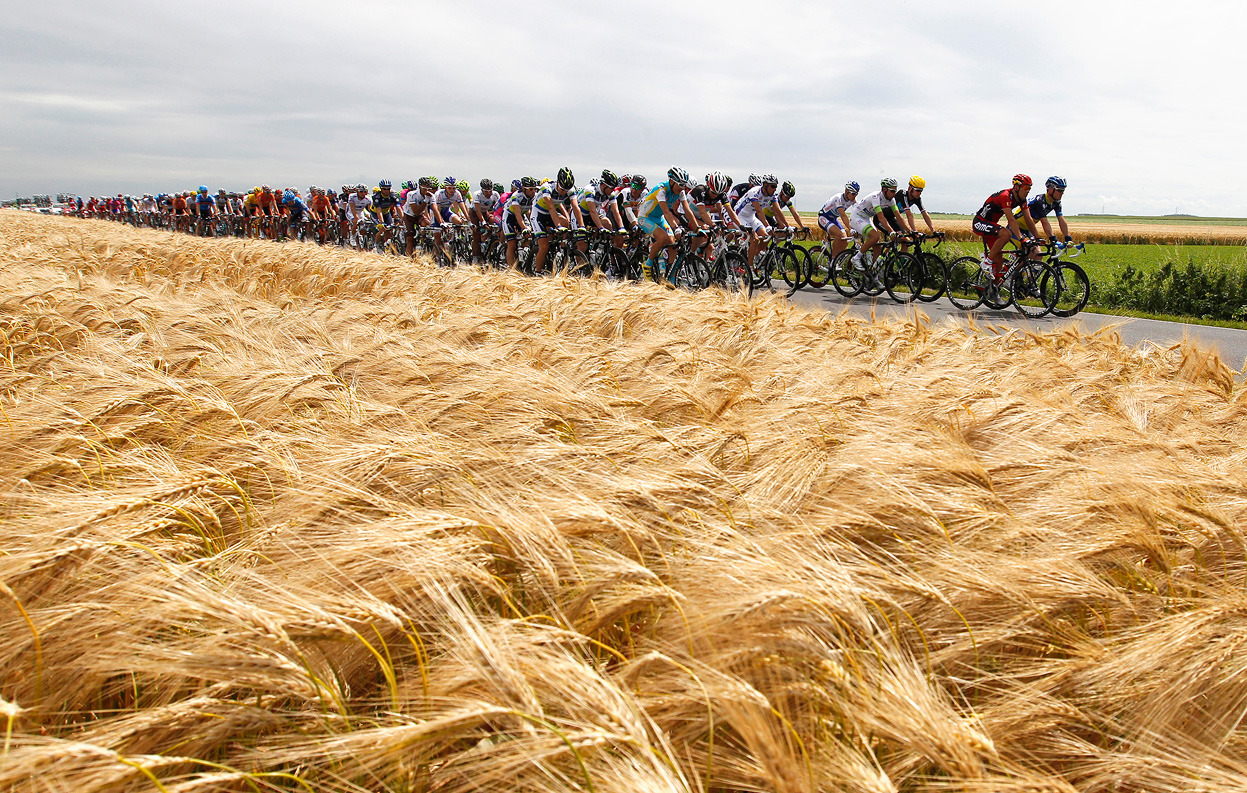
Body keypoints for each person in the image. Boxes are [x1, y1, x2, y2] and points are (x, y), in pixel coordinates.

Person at [972, 174, 1041, 280]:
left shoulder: (1022, 199)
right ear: (1016, 187)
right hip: (980, 222)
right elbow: (1011, 220)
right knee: (1006, 233)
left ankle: (992, 291)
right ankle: (986, 263)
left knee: (999, 260)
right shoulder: (1006, 196)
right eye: (1026, 188)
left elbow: (1028, 219)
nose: (1028, 191)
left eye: (1030, 188)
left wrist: (1037, 237)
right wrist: (1021, 238)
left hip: (991, 226)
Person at [636, 167, 698, 282]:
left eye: (684, 185)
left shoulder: (681, 192)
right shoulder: (661, 189)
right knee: (663, 237)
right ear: (672, 181)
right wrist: (675, 228)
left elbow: (687, 210)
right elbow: (666, 211)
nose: (682, 188)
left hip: (658, 218)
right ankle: (647, 265)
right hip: (645, 217)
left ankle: (670, 276)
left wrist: (697, 228)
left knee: (673, 242)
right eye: (680, 185)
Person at [530, 167, 582, 274]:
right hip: (538, 215)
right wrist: (558, 226)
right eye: (562, 189)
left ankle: (560, 251)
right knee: (544, 246)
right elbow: (551, 208)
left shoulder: (570, 190)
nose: (564, 193)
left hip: (550, 215)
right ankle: (538, 272)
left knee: (565, 222)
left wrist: (581, 226)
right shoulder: (547, 188)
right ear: (557, 183)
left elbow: (576, 208)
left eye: (566, 191)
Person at [847, 178, 906, 271]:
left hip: (866, 218)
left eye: (895, 190)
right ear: (884, 190)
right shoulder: (876, 197)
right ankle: (856, 258)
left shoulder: (891, 200)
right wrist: (891, 232)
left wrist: (910, 231)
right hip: (857, 217)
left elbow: (898, 216)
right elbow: (881, 218)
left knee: (878, 246)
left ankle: (875, 276)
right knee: (875, 236)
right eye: (892, 191)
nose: (894, 193)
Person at [733, 173, 788, 269]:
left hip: (751, 216)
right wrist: (767, 226)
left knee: (767, 237)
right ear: (765, 185)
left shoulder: (772, 195)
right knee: (755, 239)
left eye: (776, 186)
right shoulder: (754, 192)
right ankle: (749, 269)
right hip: (741, 216)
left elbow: (778, 211)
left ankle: (753, 255)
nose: (775, 189)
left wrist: (787, 226)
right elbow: (759, 211)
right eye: (773, 186)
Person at [1015, 176, 1073, 249]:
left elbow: (1061, 220)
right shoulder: (1040, 201)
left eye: (1063, 190)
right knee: (1031, 250)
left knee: (1038, 253)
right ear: (1050, 189)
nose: (1062, 193)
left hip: (1027, 229)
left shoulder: (1056, 203)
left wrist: (1068, 237)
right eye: (1060, 190)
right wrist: (1053, 239)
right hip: (1015, 227)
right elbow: (1044, 222)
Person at [502, 176, 538, 267]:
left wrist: (531, 226)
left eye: (535, 189)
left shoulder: (534, 196)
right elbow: (517, 214)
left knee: (528, 236)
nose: (533, 191)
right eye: (530, 189)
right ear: (523, 189)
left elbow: (531, 213)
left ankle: (522, 256)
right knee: (512, 243)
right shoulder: (516, 196)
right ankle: (511, 268)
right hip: (509, 216)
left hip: (522, 215)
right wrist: (523, 228)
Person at [817, 182, 858, 258]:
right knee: (839, 235)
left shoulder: (852, 200)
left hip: (833, 219)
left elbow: (858, 212)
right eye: (853, 194)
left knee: (844, 239)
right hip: (824, 217)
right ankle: (833, 260)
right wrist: (850, 228)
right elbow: (843, 215)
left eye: (856, 194)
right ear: (847, 191)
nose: (855, 196)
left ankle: (837, 259)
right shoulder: (838, 198)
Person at [471, 178, 502, 261]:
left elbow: (500, 207)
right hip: (474, 213)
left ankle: (488, 239)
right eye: (486, 191)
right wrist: (483, 222)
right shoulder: (477, 194)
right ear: (482, 190)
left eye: (490, 191)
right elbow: (478, 210)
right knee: (476, 235)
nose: (488, 193)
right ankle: (475, 257)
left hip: (485, 212)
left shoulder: (495, 194)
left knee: (493, 221)